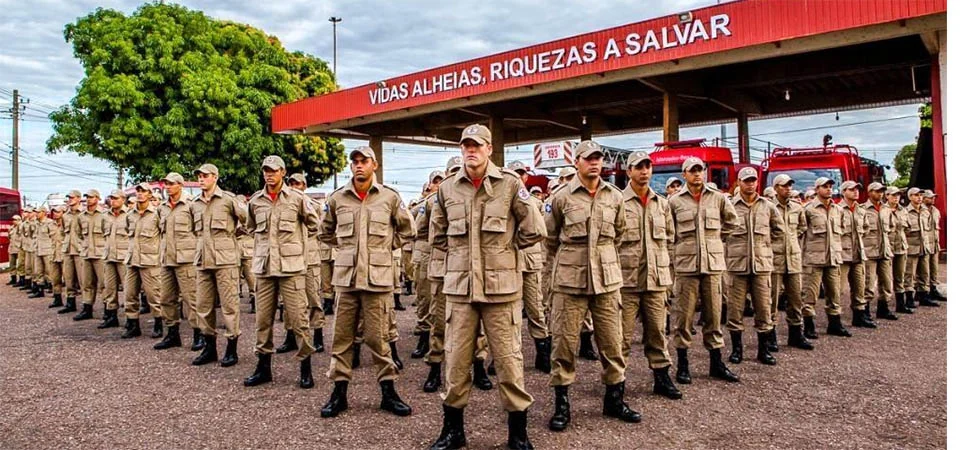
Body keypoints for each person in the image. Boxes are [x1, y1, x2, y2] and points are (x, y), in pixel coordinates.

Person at [428, 124, 541, 450]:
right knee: (456, 362)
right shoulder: (448, 189)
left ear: (489, 149)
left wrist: (504, 253)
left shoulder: (509, 184)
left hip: (501, 290)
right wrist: (463, 257)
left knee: (509, 362)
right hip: (461, 290)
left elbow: (534, 229)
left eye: (477, 145)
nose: (471, 150)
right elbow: (437, 235)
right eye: (466, 145)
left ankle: (518, 434)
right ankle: (453, 431)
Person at [318, 146, 414, 417]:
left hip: (377, 280)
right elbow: (325, 232)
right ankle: (339, 394)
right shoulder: (337, 198)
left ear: (375, 165)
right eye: (355, 162)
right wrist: (347, 250)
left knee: (379, 338)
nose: (359, 165)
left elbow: (408, 230)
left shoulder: (389, 197)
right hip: (347, 280)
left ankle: (388, 392)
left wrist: (384, 248)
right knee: (342, 339)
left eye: (364, 161)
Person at [244, 155, 318, 389]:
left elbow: (314, 224)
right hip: (265, 268)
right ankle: (263, 368)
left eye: (274, 170)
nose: (269, 174)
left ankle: (305, 368)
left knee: (298, 319)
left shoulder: (297, 199)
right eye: (266, 170)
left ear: (283, 173)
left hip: (291, 268)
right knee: (262, 320)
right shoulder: (256, 201)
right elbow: (250, 227)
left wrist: (296, 247)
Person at [422, 156, 493, 394]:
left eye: (456, 170)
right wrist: (454, 251)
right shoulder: (438, 199)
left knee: (477, 325)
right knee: (439, 322)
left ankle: (479, 365)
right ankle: (435, 367)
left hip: (472, 271)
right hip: (443, 271)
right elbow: (429, 233)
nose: (454, 175)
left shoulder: (480, 196)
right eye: (450, 172)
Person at [669, 157, 740, 385]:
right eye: (692, 171)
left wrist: (716, 239)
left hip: (712, 265)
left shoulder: (717, 198)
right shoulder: (674, 202)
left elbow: (732, 222)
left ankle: (716, 363)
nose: (697, 174)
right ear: (684, 174)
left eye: (700, 170)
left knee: (714, 316)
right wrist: (677, 251)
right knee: (684, 318)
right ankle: (683, 365)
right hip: (686, 266)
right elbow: (669, 232)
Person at [618, 151, 682, 400]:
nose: (644, 171)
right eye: (639, 167)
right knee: (620, 337)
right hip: (627, 281)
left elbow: (669, 239)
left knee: (657, 332)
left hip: (656, 281)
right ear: (629, 171)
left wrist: (667, 274)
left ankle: (661, 377)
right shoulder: (618, 202)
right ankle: (617, 384)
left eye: (648, 166)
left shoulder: (661, 204)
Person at [181, 164, 248, 365]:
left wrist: (233, 237)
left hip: (225, 260)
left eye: (205, 176)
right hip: (203, 259)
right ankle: (209, 347)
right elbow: (194, 230)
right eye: (199, 176)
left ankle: (231, 348)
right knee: (203, 305)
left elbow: (248, 220)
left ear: (215, 177)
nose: (201, 179)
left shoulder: (228, 199)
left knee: (229, 306)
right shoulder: (195, 204)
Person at [724, 167, 782, 366]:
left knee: (764, 309)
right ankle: (736, 350)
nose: (750, 184)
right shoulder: (729, 206)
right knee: (735, 311)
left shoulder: (767, 206)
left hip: (761, 266)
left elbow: (778, 230)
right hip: (737, 266)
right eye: (746, 180)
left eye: (753, 180)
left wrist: (764, 247)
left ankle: (763, 350)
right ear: (738, 182)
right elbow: (721, 231)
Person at [507, 160, 551, 374]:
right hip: (508, 264)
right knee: (508, 314)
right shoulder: (503, 199)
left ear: (525, 177)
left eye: (521, 173)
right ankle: (504, 357)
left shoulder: (535, 202)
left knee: (536, 309)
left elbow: (541, 231)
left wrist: (516, 243)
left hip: (531, 262)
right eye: (514, 172)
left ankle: (543, 353)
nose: (518, 176)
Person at [281, 173, 326, 354]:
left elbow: (319, 229)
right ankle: (290, 336)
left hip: (310, 259)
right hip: (290, 260)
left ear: (305, 186)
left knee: (313, 298)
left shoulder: (314, 206)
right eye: (291, 183)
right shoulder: (284, 204)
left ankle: (318, 335)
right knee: (289, 301)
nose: (294, 186)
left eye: (298, 184)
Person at [800, 178, 850, 338]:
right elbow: (800, 232)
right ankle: (808, 325)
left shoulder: (838, 210)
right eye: (824, 187)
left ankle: (835, 324)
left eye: (830, 186)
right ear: (817, 189)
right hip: (813, 258)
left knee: (834, 293)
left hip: (833, 257)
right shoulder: (808, 209)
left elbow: (842, 230)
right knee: (810, 294)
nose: (828, 189)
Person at [769, 174, 813, 350]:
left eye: (789, 185)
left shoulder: (797, 207)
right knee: (771, 300)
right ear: (775, 188)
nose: (788, 188)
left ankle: (796, 334)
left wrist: (791, 240)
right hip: (774, 258)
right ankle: (770, 335)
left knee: (796, 298)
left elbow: (802, 227)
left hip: (793, 258)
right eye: (784, 185)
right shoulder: (768, 207)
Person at [158, 173, 201, 343]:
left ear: (180, 185)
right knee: (166, 298)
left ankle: (199, 334)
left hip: (186, 259)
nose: (167, 187)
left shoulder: (191, 205)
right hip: (167, 258)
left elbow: (199, 231)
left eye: (171, 184)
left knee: (192, 299)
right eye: (166, 184)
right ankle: (172, 333)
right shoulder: (162, 207)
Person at [121, 183, 163, 339]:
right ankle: (133, 325)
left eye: (143, 191)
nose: (139, 194)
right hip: (133, 259)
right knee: (129, 294)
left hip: (150, 260)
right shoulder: (130, 215)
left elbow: (163, 234)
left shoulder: (156, 214)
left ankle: (159, 324)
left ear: (150, 195)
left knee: (154, 295)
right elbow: (128, 231)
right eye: (138, 191)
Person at [411, 171, 444, 360]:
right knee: (425, 297)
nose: (439, 184)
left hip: (450, 255)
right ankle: (424, 338)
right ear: (430, 185)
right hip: (427, 253)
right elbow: (416, 229)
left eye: (442, 180)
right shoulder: (428, 203)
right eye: (435, 181)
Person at [837, 181, 874, 329]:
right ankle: (835, 319)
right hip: (843, 254)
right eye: (851, 189)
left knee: (859, 287)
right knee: (838, 289)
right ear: (843, 192)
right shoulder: (837, 210)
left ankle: (859, 316)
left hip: (858, 254)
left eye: (857, 189)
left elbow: (866, 228)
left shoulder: (861, 210)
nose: (856, 192)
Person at [861, 182, 898, 321]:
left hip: (885, 251)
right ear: (869, 192)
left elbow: (892, 227)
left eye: (882, 191)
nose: (880, 194)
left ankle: (883, 309)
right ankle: (865, 311)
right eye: (877, 191)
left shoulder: (886, 209)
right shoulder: (862, 209)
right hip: (870, 251)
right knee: (868, 283)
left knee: (887, 282)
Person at [98, 190, 129, 329]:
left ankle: (130, 318)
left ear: (123, 199)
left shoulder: (129, 215)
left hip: (123, 257)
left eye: (116, 198)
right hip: (109, 256)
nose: (113, 201)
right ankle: (111, 316)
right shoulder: (105, 216)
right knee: (109, 288)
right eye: (111, 198)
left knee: (128, 289)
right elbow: (103, 233)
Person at [73, 190, 107, 322]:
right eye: (87, 197)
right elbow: (79, 234)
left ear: (98, 198)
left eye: (91, 197)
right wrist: (83, 247)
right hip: (87, 253)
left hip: (100, 254)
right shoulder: (81, 216)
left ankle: (108, 310)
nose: (88, 199)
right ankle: (87, 308)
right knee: (87, 283)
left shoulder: (104, 215)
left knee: (104, 284)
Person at [903, 188, 937, 308]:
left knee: (924, 273)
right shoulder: (905, 212)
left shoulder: (925, 211)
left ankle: (924, 296)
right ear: (910, 197)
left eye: (921, 195)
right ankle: (909, 298)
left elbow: (928, 230)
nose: (919, 197)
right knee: (909, 274)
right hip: (911, 247)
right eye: (916, 195)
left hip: (924, 247)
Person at [885, 187, 913, 314]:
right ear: (887, 196)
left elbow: (908, 228)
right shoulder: (883, 210)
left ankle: (900, 304)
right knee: (885, 278)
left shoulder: (903, 211)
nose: (896, 197)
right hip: (887, 248)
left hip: (901, 247)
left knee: (900, 276)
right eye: (893, 195)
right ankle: (884, 306)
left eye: (898, 195)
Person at [58, 190, 84, 314]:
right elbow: (63, 232)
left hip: (80, 251)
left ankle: (86, 305)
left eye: (72, 197)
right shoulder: (65, 216)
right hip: (68, 250)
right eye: (68, 198)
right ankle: (70, 303)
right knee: (68, 278)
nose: (70, 200)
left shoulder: (84, 214)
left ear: (79, 198)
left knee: (83, 280)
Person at [922, 190, 945, 301]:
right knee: (924, 271)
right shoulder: (920, 210)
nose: (933, 199)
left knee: (934, 269)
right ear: (924, 198)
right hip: (925, 244)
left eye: (933, 197)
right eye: (930, 197)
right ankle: (923, 292)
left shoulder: (935, 211)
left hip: (934, 244)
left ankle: (933, 289)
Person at [7, 214, 21, 287]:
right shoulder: (11, 228)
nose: (13, 221)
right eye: (13, 220)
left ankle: (22, 279)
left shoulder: (21, 228)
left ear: (19, 220)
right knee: (12, 265)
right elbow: (9, 237)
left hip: (19, 248)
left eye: (15, 220)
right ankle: (13, 278)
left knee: (21, 265)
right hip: (12, 248)